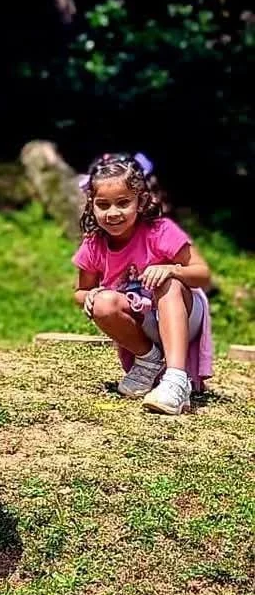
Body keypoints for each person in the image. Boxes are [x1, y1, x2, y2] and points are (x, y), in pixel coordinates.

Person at [73, 151, 213, 414]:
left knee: (166, 282)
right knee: (103, 302)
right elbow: (81, 291)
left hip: (182, 313)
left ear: (141, 201)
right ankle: (148, 360)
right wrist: (90, 296)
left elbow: (202, 274)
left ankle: (176, 379)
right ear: (91, 205)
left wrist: (172, 269)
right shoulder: (93, 244)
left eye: (123, 202)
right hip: (141, 322)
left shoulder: (160, 231)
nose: (113, 213)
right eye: (103, 205)